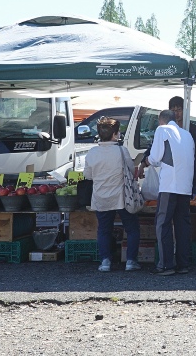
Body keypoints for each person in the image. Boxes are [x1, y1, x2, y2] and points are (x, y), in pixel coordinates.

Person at [83, 117, 141, 273]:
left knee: (104, 229)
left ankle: (105, 262)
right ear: (115, 134)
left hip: (101, 196)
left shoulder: (92, 153)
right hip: (122, 196)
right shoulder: (122, 151)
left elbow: (88, 175)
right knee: (132, 228)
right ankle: (131, 261)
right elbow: (131, 170)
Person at [142, 109, 195, 276]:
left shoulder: (162, 130)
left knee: (163, 224)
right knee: (182, 225)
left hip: (169, 186)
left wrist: (146, 161)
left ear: (161, 120)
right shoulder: (187, 135)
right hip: (185, 187)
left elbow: (155, 157)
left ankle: (166, 266)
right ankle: (183, 264)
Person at [169, 96, 196, 195]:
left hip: (192, 174)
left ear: (185, 111)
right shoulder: (167, 131)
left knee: (195, 201)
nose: (176, 113)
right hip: (173, 175)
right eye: (173, 110)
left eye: (179, 110)